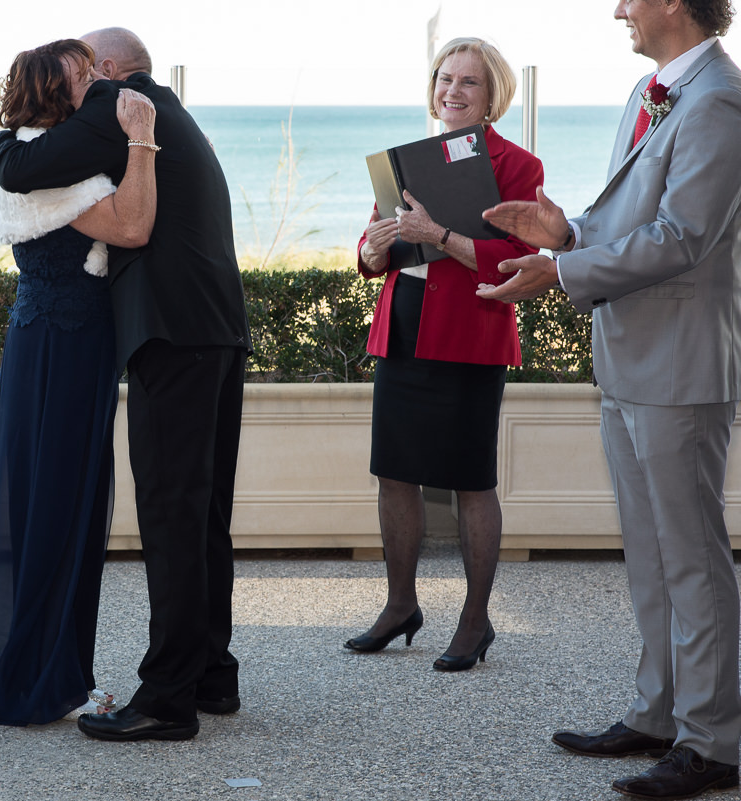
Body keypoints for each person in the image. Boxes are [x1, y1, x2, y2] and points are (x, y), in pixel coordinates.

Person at [478, 1, 741, 797]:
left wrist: (560, 272)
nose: (619, 9)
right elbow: (630, 220)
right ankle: (658, 712)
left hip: (681, 365)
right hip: (628, 357)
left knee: (692, 557)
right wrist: (566, 233)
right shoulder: (647, 92)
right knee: (651, 554)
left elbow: (684, 235)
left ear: (671, 2)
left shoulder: (721, 102)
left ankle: (715, 738)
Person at [0, 27, 251, 742]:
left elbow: (20, 165)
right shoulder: (167, 109)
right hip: (216, 327)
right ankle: (210, 673)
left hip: (172, 335)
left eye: (91, 68)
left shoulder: (119, 107)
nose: (88, 81)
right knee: (202, 514)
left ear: (108, 71)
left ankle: (167, 698)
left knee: (169, 514)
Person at [0, 39, 158, 727]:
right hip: (70, 343)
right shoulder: (56, 169)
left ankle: (21, 660)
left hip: (38, 333)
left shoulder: (29, 154)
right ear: (51, 91)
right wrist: (144, 144)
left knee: (34, 492)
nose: (94, 82)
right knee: (60, 502)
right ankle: (37, 676)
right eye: (81, 75)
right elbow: (134, 224)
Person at [346, 37, 543, 671]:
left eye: (469, 83)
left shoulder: (519, 166)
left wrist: (440, 236)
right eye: (444, 78)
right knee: (394, 473)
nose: (451, 91)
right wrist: (373, 249)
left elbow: (516, 261)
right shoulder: (408, 161)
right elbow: (372, 248)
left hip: (469, 337)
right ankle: (400, 605)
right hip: (403, 329)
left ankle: (475, 620)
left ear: (494, 97)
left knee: (470, 482)